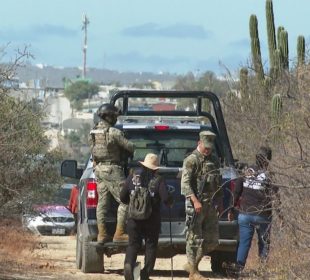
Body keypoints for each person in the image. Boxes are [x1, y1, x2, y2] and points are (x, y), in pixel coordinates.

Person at [120, 153, 173, 280]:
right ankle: (145, 274)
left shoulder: (132, 176)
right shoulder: (158, 179)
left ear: (143, 164)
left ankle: (129, 264)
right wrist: (169, 201)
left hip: (133, 219)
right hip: (152, 219)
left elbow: (122, 197)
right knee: (151, 245)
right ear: (156, 168)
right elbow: (166, 198)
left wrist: (133, 205)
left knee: (133, 244)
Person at [227, 146, 278, 274]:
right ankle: (262, 270)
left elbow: (236, 191)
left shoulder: (246, 171)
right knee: (264, 243)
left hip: (245, 214)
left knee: (244, 243)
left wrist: (230, 209)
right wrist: (280, 216)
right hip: (263, 215)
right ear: (268, 160)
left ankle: (238, 268)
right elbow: (275, 197)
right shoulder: (269, 175)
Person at [89, 103, 135, 244]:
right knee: (125, 200)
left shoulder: (93, 133)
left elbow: (93, 151)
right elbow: (131, 147)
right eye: (114, 116)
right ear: (108, 116)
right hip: (112, 170)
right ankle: (119, 233)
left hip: (99, 170)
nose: (115, 118)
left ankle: (102, 234)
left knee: (102, 203)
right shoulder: (114, 132)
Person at [181, 131, 223, 280]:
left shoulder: (214, 160)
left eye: (210, 148)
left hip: (210, 204)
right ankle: (193, 272)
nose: (208, 150)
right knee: (194, 238)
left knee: (212, 240)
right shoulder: (192, 160)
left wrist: (220, 200)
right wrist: (195, 201)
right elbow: (185, 184)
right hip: (196, 204)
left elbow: (218, 182)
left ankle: (192, 265)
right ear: (199, 143)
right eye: (206, 147)